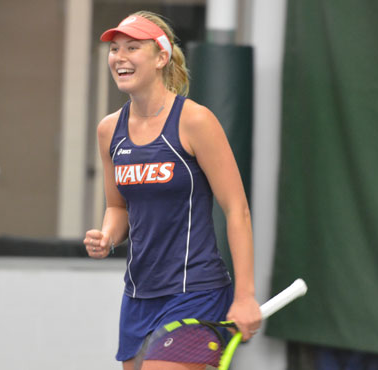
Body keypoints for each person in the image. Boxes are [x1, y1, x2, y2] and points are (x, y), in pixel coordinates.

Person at [82, 11, 261, 369]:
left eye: (132, 47)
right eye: (115, 49)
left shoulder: (195, 121)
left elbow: (237, 209)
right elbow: (117, 209)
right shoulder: (109, 130)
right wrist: (107, 237)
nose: (119, 57)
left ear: (161, 57)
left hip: (196, 291)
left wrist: (244, 296)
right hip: (138, 296)